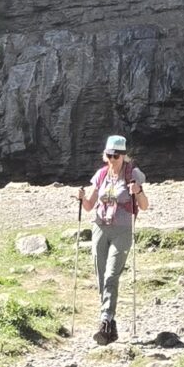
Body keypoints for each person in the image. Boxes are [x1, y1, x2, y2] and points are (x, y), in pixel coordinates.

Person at [79, 134, 149, 345]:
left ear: (124, 156)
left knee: (111, 275)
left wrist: (137, 192)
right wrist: (82, 197)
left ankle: (106, 320)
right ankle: (109, 323)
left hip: (123, 229)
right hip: (100, 227)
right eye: (109, 155)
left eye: (116, 155)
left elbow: (144, 206)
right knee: (101, 275)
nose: (112, 159)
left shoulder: (133, 174)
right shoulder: (100, 175)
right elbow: (90, 205)